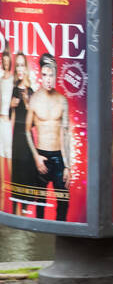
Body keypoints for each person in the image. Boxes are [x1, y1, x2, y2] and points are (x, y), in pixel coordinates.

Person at [27, 54, 73, 221]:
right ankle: (41, 234)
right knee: (41, 200)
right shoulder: (35, 99)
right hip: (41, 156)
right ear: (40, 75)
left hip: (59, 156)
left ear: (56, 74)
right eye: (44, 75)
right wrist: (36, 156)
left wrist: (68, 165)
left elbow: (66, 134)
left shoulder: (62, 100)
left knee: (63, 200)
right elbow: (26, 130)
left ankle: (62, 233)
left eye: (51, 75)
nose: (48, 79)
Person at [8, 53, 38, 216]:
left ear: (26, 69)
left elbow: (33, 123)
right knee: (17, 172)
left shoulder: (31, 91)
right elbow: (6, 116)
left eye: (22, 65)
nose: (20, 69)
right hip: (15, 138)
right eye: (17, 65)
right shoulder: (13, 90)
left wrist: (27, 104)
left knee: (27, 172)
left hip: (27, 139)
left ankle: (26, 211)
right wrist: (11, 107)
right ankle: (15, 211)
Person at [0, 46, 12, 210]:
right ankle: (2, 206)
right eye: (4, 61)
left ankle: (17, 198)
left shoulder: (14, 79)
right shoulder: (1, 78)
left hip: (9, 123)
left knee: (10, 158)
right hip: (0, 122)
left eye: (8, 61)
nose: (6, 64)